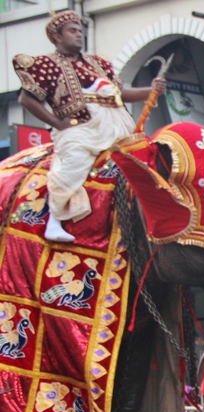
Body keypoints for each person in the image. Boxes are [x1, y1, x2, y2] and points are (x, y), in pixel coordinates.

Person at [13, 10, 166, 244]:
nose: (78, 35)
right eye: (72, 31)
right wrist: (56, 123)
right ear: (57, 36)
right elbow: (26, 99)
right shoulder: (46, 64)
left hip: (117, 125)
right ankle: (54, 220)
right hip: (79, 128)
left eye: (80, 31)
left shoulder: (98, 63)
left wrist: (150, 89)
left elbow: (120, 94)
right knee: (73, 163)